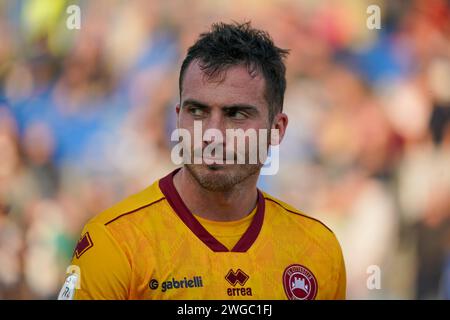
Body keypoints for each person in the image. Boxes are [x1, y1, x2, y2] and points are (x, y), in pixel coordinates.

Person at [58, 22, 346, 300]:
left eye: (236, 115)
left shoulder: (318, 250)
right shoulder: (115, 244)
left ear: (277, 129)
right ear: (177, 116)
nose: (212, 134)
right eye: (197, 111)